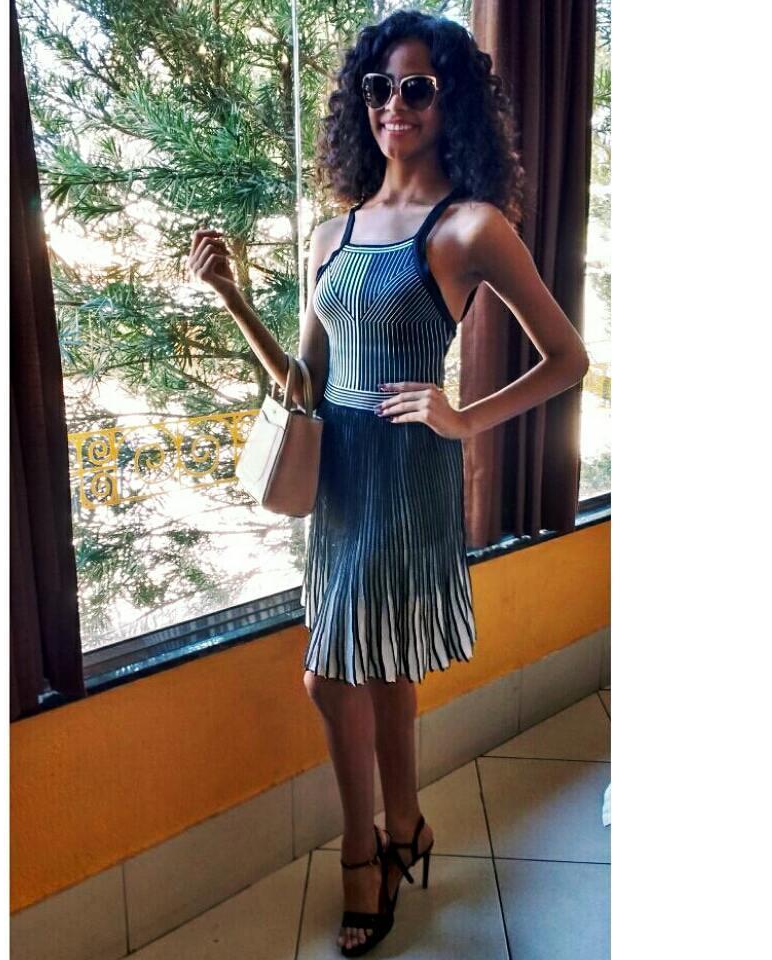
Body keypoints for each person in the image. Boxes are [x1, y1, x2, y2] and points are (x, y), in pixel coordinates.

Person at [188, 9, 589, 956]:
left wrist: (464, 417)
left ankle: (362, 853)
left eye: (417, 87)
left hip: (408, 471)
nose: (393, 105)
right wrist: (233, 298)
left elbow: (568, 358)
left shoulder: (472, 225)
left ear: (452, 102)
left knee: (330, 676)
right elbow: (306, 382)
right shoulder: (333, 230)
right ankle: (408, 825)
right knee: (383, 665)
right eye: (378, 87)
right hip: (340, 474)